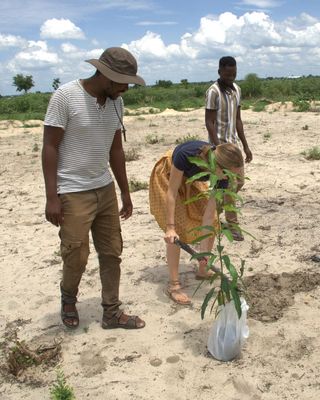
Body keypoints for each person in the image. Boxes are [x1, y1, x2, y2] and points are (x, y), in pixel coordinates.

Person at [42, 47, 146, 330]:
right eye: (122, 82)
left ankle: (111, 312)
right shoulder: (66, 97)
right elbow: (50, 146)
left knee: (112, 252)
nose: (125, 88)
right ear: (105, 75)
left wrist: (125, 192)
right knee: (76, 253)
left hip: (105, 188)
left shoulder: (116, 103)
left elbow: (115, 149)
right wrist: (52, 197)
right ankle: (68, 298)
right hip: (73, 190)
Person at [149, 140, 244, 305]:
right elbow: (171, 193)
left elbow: (208, 216)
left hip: (191, 180)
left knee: (214, 221)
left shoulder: (222, 176)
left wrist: (204, 255)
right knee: (176, 232)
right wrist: (170, 228)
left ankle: (202, 269)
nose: (230, 179)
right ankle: (174, 285)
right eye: (229, 174)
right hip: (168, 176)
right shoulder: (186, 154)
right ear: (218, 167)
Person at [205, 56, 252, 241]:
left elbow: (238, 120)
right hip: (220, 146)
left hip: (234, 146)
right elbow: (209, 122)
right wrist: (217, 147)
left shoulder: (237, 90)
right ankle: (232, 226)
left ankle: (212, 214)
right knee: (228, 186)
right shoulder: (213, 92)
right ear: (219, 72)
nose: (231, 77)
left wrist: (246, 146)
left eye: (233, 74)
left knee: (238, 182)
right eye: (227, 74)